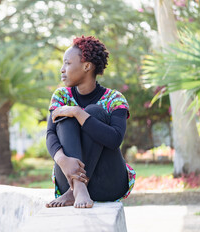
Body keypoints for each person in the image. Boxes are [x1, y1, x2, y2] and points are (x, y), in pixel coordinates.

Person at [45, 35, 136, 209]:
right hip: (68, 179)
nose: (62, 69)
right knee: (65, 117)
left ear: (87, 66)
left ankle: (78, 188)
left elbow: (115, 139)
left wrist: (78, 112)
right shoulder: (61, 96)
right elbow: (50, 134)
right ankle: (78, 188)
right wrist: (63, 160)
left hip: (107, 182)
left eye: (67, 63)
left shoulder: (114, 99)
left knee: (94, 111)